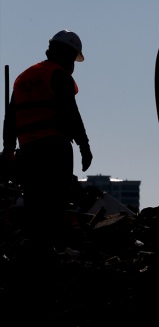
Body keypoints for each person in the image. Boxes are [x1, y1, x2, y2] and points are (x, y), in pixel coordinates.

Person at [1, 29, 93, 252]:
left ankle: (36, 245)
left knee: (34, 199)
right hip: (54, 147)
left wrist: (8, 149)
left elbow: (10, 117)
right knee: (55, 199)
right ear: (67, 55)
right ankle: (50, 247)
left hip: (28, 150)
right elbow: (72, 114)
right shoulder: (58, 75)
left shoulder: (23, 78)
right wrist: (84, 145)